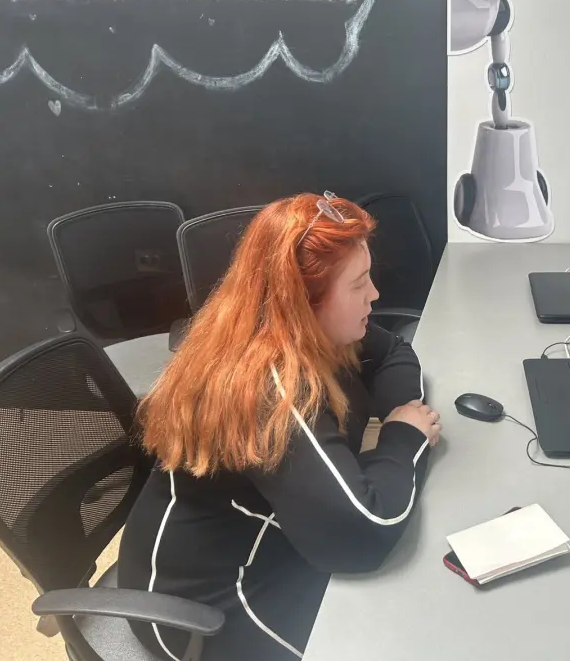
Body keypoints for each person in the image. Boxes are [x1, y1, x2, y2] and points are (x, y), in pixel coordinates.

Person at [118, 193, 441, 661]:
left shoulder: (295, 323)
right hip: (200, 603)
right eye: (358, 284)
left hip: (272, 542)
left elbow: (393, 352)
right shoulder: (270, 393)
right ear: (304, 302)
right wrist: (403, 437)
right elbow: (362, 536)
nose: (374, 295)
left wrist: (399, 410)